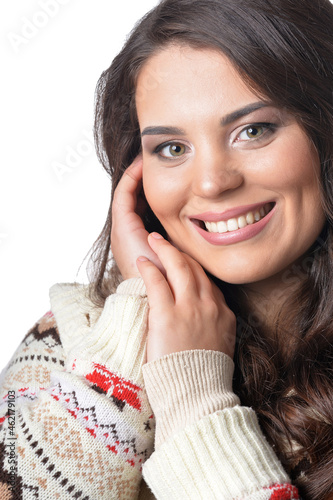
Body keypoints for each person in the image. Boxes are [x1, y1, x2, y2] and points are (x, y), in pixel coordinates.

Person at [1, 0, 333, 498]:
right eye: (172, 149)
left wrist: (194, 398)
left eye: (254, 130)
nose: (212, 182)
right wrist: (136, 323)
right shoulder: (75, 337)